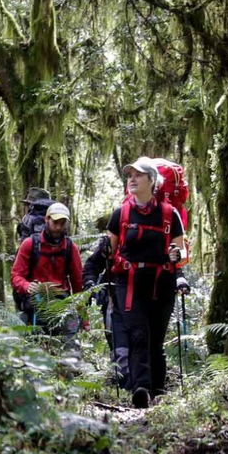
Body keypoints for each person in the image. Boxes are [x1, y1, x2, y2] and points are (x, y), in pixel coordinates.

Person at [107, 157, 188, 409]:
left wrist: (177, 257)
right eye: (129, 174)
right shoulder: (121, 214)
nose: (132, 179)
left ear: (152, 181)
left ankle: (158, 390)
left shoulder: (169, 214)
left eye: (138, 175)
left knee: (156, 339)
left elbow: (182, 252)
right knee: (138, 335)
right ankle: (140, 389)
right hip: (129, 283)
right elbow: (109, 252)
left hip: (161, 282)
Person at [10, 202, 83, 338]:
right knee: (20, 342)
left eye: (62, 223)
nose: (58, 227)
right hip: (34, 301)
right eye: (55, 222)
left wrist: (83, 314)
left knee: (72, 343)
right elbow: (16, 275)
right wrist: (27, 286)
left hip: (62, 302)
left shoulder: (70, 248)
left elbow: (78, 283)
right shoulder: (30, 244)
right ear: (47, 219)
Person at [82, 218, 129, 389]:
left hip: (140, 300)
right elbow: (91, 266)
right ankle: (123, 381)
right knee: (115, 339)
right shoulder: (111, 243)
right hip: (113, 298)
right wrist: (90, 283)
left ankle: (137, 382)